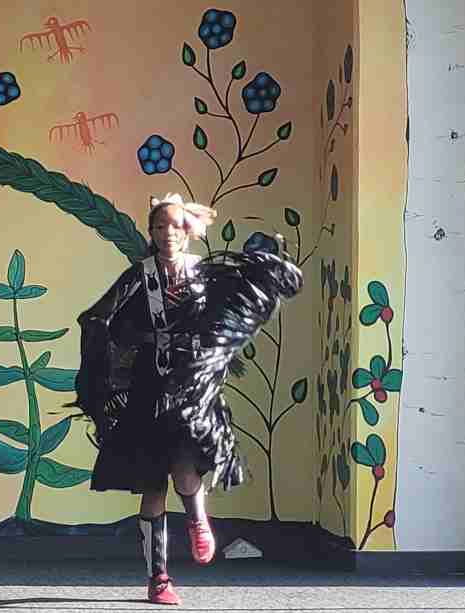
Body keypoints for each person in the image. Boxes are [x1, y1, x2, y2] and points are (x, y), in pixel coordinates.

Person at [72, 193, 303, 606]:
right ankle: (158, 579)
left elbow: (232, 313)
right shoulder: (138, 275)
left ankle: (197, 519)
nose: (167, 234)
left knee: (184, 464)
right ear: (151, 233)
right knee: (152, 485)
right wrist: (119, 355)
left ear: (188, 231)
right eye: (159, 227)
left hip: (192, 389)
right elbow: (97, 318)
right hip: (148, 386)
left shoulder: (204, 274)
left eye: (175, 226)